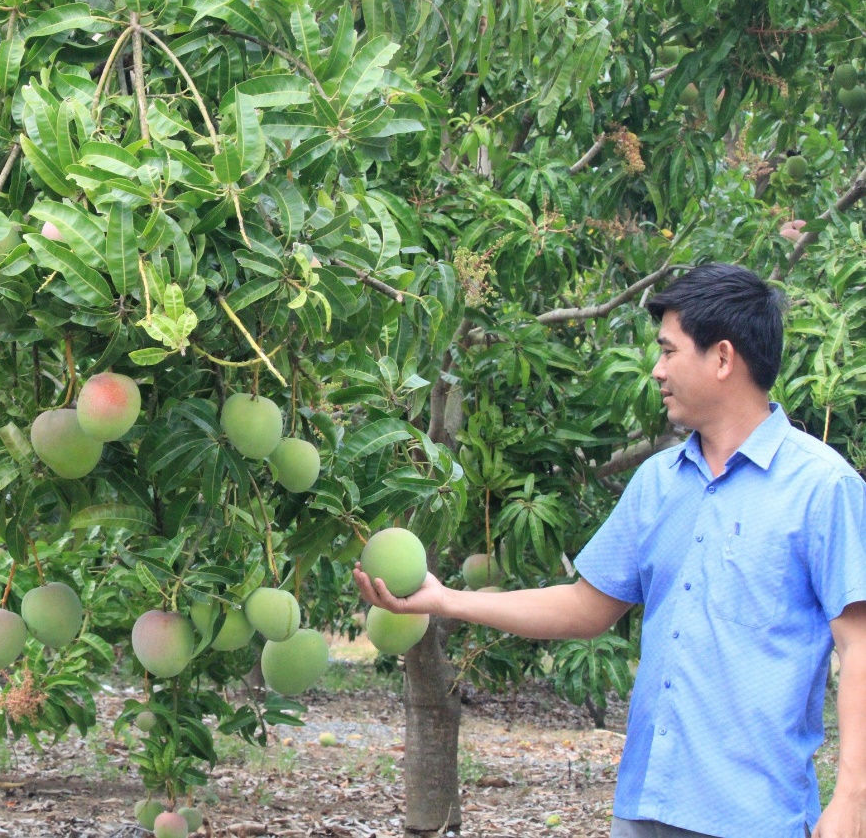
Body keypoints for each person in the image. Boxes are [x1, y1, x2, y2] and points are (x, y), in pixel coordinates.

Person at [354, 263, 866, 838]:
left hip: (753, 816)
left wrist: (852, 798)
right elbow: (585, 607)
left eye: (669, 351)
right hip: (646, 808)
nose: (657, 369)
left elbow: (859, 647)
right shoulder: (657, 482)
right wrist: (444, 599)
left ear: (722, 359)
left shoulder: (823, 488)